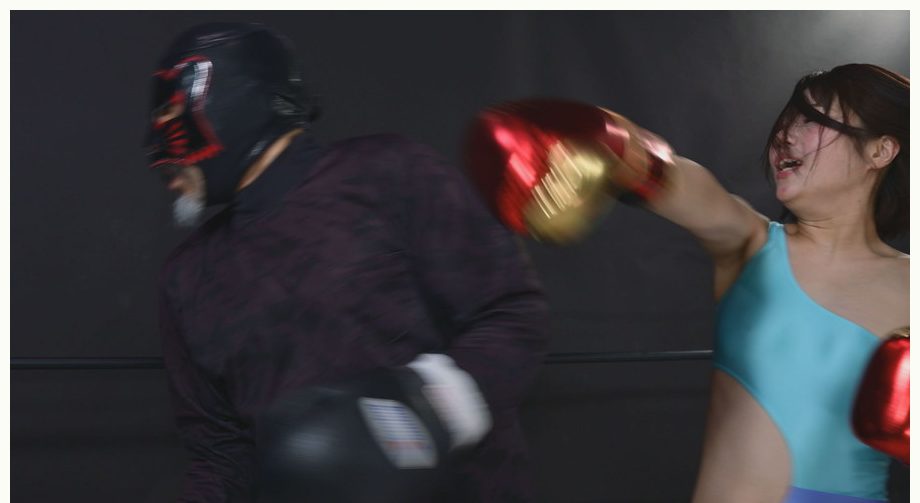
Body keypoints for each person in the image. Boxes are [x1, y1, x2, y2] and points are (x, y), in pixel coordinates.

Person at [465, 63, 908, 502]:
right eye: (788, 119)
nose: (786, 135)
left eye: (814, 120)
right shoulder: (750, 243)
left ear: (881, 150)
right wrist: (615, 145)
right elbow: (684, 185)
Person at [147, 22, 548, 502]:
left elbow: (513, 312)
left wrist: (422, 414)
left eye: (170, 110)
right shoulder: (187, 278)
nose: (155, 149)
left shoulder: (388, 173)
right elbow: (219, 454)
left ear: (232, 95)